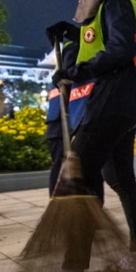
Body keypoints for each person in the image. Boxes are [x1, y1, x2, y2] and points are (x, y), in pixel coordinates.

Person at [13, 0, 136, 272]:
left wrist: (74, 71)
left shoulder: (116, 1)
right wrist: (73, 33)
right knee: (119, 178)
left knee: (78, 177)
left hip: (113, 103)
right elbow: (102, 41)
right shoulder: (112, 7)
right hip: (123, 104)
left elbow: (117, 50)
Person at [43, 21, 82, 196]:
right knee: (61, 166)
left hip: (74, 113)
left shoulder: (84, 40)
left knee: (71, 165)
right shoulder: (72, 43)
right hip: (62, 115)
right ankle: (60, 207)